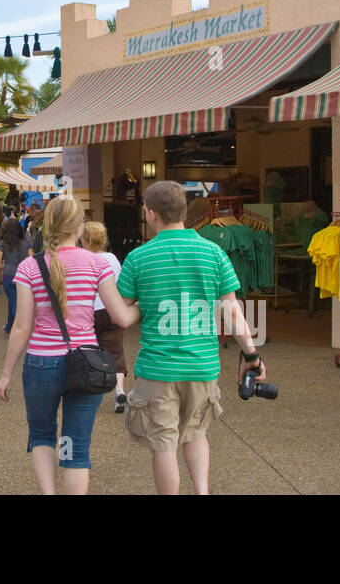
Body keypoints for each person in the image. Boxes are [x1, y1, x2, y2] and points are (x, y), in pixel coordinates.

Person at [118, 180, 266, 495]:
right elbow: (232, 311)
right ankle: (202, 492)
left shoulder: (138, 258)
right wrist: (251, 356)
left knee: (163, 443)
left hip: (158, 368)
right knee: (196, 434)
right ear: (184, 212)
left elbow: (122, 311)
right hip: (202, 365)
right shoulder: (214, 253)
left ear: (151, 213)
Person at [0, 195, 138, 495]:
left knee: (42, 436)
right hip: (86, 363)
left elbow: (22, 327)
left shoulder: (29, 267)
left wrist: (6, 374)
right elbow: (121, 317)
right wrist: (147, 304)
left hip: (41, 363)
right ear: (80, 226)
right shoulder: (98, 263)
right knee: (77, 446)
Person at [79, 221, 128, 412]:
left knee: (89, 351)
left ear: (85, 240)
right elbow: (121, 284)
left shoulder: (82, 259)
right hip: (111, 310)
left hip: (89, 311)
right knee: (115, 351)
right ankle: (119, 391)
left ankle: (90, 391)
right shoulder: (112, 259)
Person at [0, 217, 31, 334]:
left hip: (9, 275)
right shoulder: (26, 243)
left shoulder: (2, 243)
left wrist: (5, 268)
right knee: (16, 302)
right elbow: (32, 259)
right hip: (24, 276)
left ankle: (16, 327)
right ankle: (10, 327)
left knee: (13, 302)